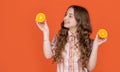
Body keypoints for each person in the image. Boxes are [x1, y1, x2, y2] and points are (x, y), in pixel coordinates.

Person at [36, 5, 107, 72]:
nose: (65, 18)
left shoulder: (88, 42)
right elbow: (48, 55)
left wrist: (95, 45)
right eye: (65, 15)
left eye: (70, 16)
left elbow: (90, 67)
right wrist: (45, 32)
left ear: (79, 20)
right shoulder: (59, 39)